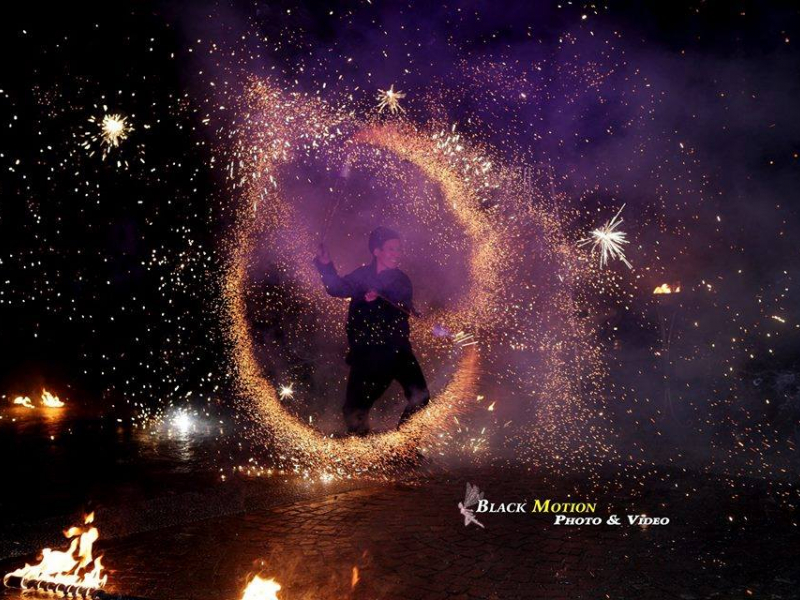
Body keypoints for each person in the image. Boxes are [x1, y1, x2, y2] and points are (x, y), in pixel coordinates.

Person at [313, 227, 430, 435]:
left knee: (420, 396)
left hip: (396, 350)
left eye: (399, 249)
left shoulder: (401, 280)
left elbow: (401, 303)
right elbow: (337, 288)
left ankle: (405, 445)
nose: (397, 253)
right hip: (367, 352)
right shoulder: (362, 275)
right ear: (377, 251)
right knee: (353, 410)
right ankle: (363, 447)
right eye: (391, 249)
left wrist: (380, 297)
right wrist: (325, 265)